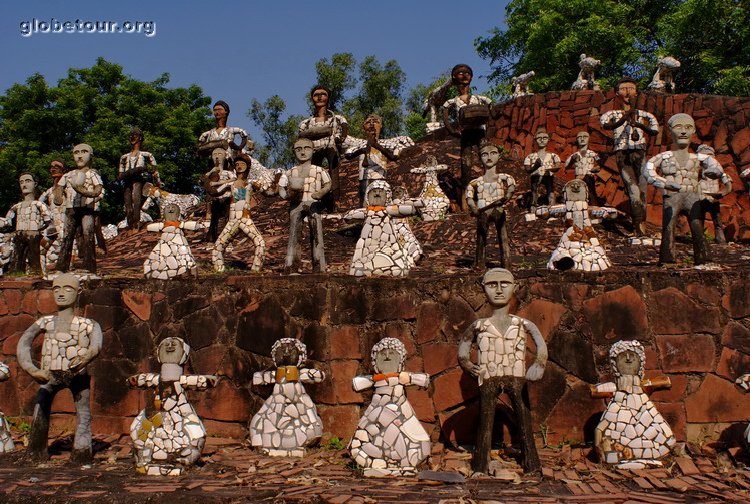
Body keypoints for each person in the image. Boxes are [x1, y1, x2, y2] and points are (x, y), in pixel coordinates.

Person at [458, 268, 547, 474]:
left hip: (517, 376)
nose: (498, 290)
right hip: (488, 377)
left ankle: (532, 463)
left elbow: (541, 345)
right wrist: (469, 365)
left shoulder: (522, 324)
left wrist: (539, 363)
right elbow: (463, 348)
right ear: (483, 289)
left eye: (504, 284)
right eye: (492, 285)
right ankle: (480, 464)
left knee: (524, 419)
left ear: (514, 287)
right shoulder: (479, 325)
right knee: (485, 421)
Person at [17, 273, 103, 463]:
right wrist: (32, 369)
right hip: (48, 374)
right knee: (40, 410)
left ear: (78, 292)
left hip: (77, 374)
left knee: (83, 413)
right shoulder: (45, 322)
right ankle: (36, 451)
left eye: (68, 289)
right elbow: (23, 343)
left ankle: (81, 452)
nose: (61, 294)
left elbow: (96, 346)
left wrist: (84, 358)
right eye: (56, 289)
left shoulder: (87, 324)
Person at [128, 337, 217, 476]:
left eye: (174, 345)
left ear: (184, 355)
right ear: (158, 353)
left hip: (181, 412)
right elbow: (138, 380)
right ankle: (143, 459)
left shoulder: (180, 381)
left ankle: (186, 458)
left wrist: (206, 381)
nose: (170, 346)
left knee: (197, 433)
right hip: (156, 413)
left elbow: (201, 382)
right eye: (166, 345)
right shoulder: (157, 379)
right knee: (137, 430)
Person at [644, 113, 725, 265]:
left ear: (693, 130)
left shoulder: (698, 158)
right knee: (668, 227)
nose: (683, 132)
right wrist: (664, 182)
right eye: (678, 127)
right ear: (670, 131)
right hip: (671, 196)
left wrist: (715, 171)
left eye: (688, 127)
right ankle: (667, 258)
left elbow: (715, 166)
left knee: (697, 227)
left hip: (693, 197)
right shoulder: (665, 156)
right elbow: (648, 170)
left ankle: (703, 258)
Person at [600, 77, 659, 235]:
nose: (627, 92)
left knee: (643, 189)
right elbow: (607, 125)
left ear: (636, 92)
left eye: (631, 88)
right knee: (633, 190)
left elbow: (654, 130)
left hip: (639, 152)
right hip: (622, 153)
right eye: (624, 88)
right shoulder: (612, 114)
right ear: (617, 93)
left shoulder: (645, 115)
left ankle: (642, 226)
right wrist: (625, 118)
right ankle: (638, 228)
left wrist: (638, 124)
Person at [442, 64, 493, 208]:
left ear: (471, 77)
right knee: (466, 166)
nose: (464, 75)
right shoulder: (453, 101)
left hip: (480, 133)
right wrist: (452, 130)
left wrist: (489, 125)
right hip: (465, 135)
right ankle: (466, 201)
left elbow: (491, 106)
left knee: (487, 162)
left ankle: (489, 195)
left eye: (467, 73)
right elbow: (445, 113)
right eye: (460, 73)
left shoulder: (479, 98)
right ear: (454, 77)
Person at [278, 138, 331, 273]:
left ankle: (319, 266)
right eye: (298, 149)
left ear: (313, 151)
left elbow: (328, 184)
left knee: (317, 233)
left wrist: (320, 193)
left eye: (306, 148)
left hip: (313, 204)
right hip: (296, 204)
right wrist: (288, 195)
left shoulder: (319, 170)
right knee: (294, 233)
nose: (303, 152)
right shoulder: (289, 172)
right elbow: (281, 189)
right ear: (294, 152)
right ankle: (291, 266)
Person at [466, 141, 516, 268]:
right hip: (483, 211)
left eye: (493, 153)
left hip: (498, 209)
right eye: (484, 154)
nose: (489, 157)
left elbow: (511, 186)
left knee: (503, 236)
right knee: (481, 237)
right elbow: (469, 195)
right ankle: (479, 264)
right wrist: (473, 207)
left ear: (499, 156)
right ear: (480, 158)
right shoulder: (476, 181)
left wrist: (507, 197)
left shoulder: (503, 177)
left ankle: (506, 263)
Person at [344, 114, 413, 205]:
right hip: (363, 180)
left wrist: (377, 146)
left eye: (376, 122)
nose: (372, 125)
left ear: (381, 125)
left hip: (381, 179)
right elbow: (348, 155)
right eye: (368, 122)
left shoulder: (388, 143)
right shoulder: (359, 144)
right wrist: (362, 150)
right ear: (363, 127)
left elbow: (395, 156)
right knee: (363, 202)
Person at [212, 155, 266, 273]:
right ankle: (219, 270)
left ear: (248, 167)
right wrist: (208, 182)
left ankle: (255, 270)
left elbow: (266, 190)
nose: (239, 166)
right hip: (233, 220)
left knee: (260, 243)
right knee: (218, 247)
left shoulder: (251, 183)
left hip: (245, 218)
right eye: (237, 165)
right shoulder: (230, 184)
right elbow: (215, 192)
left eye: (242, 164)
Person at [298, 86, 348, 212]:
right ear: (312, 98)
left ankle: (335, 201)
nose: (320, 97)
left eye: (323, 94)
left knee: (333, 172)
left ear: (328, 97)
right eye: (316, 94)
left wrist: (316, 133)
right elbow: (302, 136)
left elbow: (342, 135)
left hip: (331, 150)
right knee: (314, 175)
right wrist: (326, 131)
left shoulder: (337, 119)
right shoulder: (306, 123)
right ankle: (315, 202)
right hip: (313, 152)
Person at [56, 144, 103, 274]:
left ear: (90, 155)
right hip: (71, 209)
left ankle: (89, 266)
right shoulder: (69, 175)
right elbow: (59, 187)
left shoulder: (92, 174)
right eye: (76, 152)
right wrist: (58, 197)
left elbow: (98, 189)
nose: (80, 155)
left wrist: (86, 193)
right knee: (67, 237)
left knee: (88, 236)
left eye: (84, 152)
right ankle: (61, 267)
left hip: (87, 209)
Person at [0, 172, 52, 275]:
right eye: (21, 182)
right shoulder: (16, 206)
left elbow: (48, 219)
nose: (24, 185)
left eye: (28, 181)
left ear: (35, 184)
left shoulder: (39, 204)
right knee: (18, 255)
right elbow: (7, 221)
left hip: (33, 234)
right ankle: (16, 271)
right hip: (20, 233)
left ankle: (35, 272)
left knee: (34, 255)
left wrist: (41, 229)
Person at [119, 128, 160, 229]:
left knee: (136, 202)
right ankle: (130, 224)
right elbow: (120, 174)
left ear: (140, 138)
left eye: (135, 135)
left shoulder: (145, 155)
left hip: (138, 180)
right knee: (128, 205)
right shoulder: (124, 157)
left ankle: (136, 225)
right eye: (131, 135)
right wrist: (128, 173)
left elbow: (153, 168)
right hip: (127, 181)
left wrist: (153, 175)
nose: (132, 137)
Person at [39, 159, 68, 272]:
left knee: (70, 251)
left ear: (64, 170)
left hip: (66, 226)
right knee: (41, 249)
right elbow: (39, 203)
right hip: (52, 228)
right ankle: (42, 274)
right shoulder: (49, 191)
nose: (53, 169)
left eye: (57, 166)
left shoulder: (68, 188)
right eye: (51, 167)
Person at [523, 128, 561, 209]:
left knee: (550, 191)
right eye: (539, 138)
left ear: (548, 140)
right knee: (534, 191)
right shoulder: (530, 156)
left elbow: (558, 166)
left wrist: (550, 169)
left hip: (549, 176)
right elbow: (528, 170)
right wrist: (535, 166)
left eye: (544, 138)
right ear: (535, 140)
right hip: (535, 177)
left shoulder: (553, 156)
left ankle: (552, 207)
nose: (542, 140)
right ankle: (533, 207)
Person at [564, 131, 600, 204]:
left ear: (588, 139)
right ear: (577, 140)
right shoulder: (574, 155)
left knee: (592, 196)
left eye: (585, 137)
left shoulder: (592, 154)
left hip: (590, 178)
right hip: (578, 179)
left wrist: (597, 168)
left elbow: (600, 164)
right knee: (579, 198)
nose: (582, 139)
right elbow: (566, 167)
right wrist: (572, 160)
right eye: (580, 137)